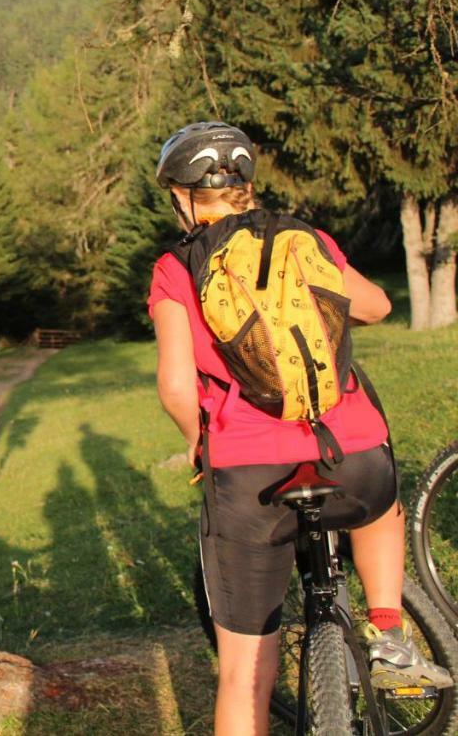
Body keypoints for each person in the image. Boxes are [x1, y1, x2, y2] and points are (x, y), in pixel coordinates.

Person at [147, 122, 451, 736]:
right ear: (247, 185)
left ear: (182, 198)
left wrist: (196, 439)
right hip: (352, 454)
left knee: (243, 679)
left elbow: (178, 387)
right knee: (380, 503)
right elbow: (376, 306)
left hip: (250, 474)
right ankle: (389, 631)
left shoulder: (176, 268)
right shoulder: (305, 239)